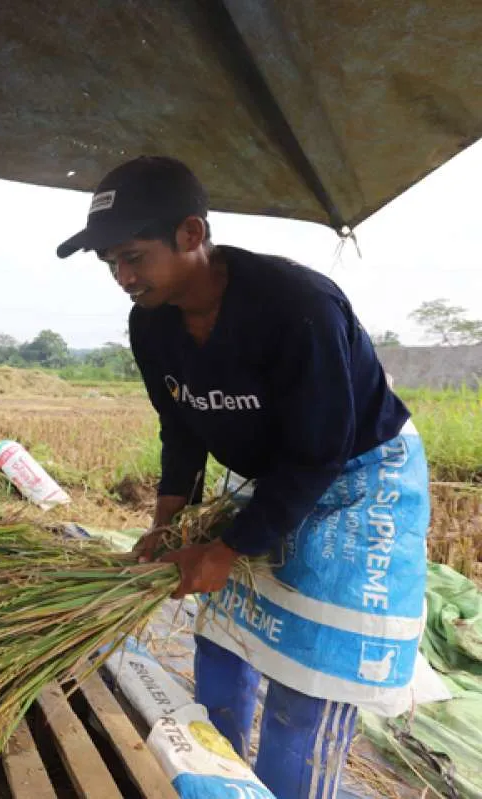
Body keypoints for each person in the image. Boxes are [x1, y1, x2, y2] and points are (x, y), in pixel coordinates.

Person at [56, 156, 430, 798]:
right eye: (110, 263)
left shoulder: (297, 306)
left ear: (192, 235)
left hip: (354, 479)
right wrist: (168, 528)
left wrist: (228, 548)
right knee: (225, 642)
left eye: (133, 257)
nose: (122, 276)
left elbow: (318, 453)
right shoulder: (151, 322)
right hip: (274, 473)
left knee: (303, 679)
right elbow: (182, 427)